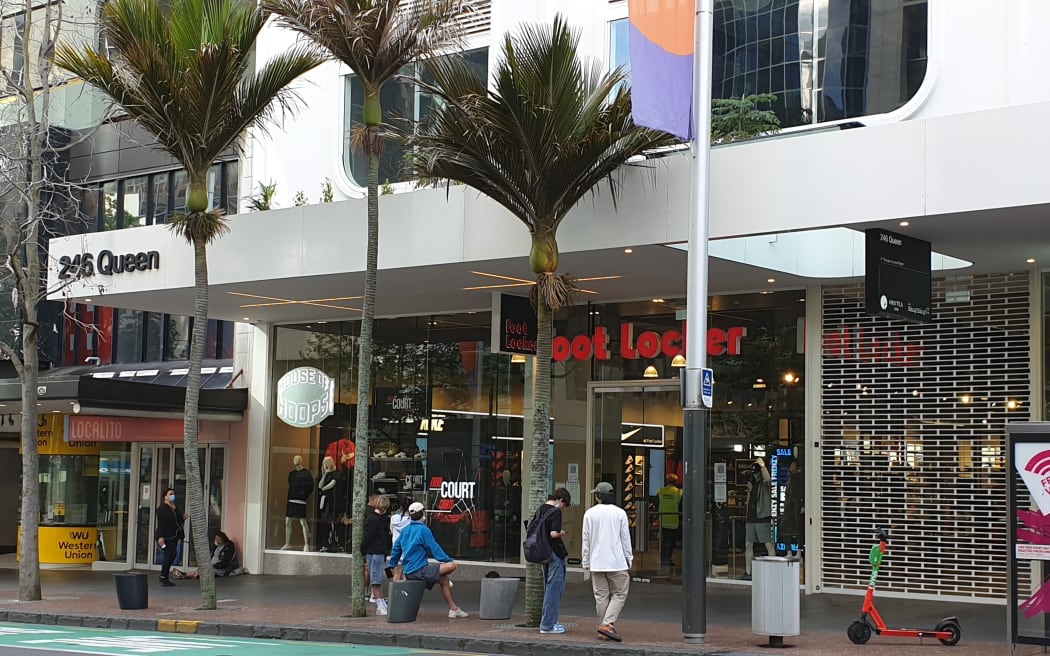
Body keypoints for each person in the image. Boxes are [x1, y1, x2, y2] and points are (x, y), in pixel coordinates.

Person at [387, 501, 468, 618]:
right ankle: (451, 605)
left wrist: (392, 564)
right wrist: (447, 560)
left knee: (444, 580)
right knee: (452, 566)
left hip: (409, 571)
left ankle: (454, 609)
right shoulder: (424, 530)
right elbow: (435, 548)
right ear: (422, 514)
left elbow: (396, 550)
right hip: (420, 571)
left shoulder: (405, 530)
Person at [581, 481, 632, 642]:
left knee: (601, 596)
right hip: (616, 561)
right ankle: (607, 624)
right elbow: (625, 539)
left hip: (596, 561)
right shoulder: (620, 513)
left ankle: (605, 628)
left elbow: (586, 540)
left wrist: (585, 560)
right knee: (620, 593)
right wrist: (628, 557)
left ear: (598, 496)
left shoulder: (589, 513)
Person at [537, 488, 572, 635]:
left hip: (542, 553)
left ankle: (548, 622)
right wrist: (562, 533)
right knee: (554, 589)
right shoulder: (555, 511)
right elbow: (553, 533)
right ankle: (548, 625)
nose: (563, 507)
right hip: (555, 553)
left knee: (548, 587)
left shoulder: (540, 509)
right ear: (561, 500)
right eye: (565, 504)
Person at [743, 457, 774, 581]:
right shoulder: (752, 485)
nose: (755, 474)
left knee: (768, 544)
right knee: (748, 544)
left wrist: (763, 466)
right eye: (754, 472)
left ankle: (773, 569)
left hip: (762, 518)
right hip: (751, 518)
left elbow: (768, 480)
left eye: (757, 472)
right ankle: (748, 571)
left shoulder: (764, 485)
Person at [363, 495, 391, 615]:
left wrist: (362, 548)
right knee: (376, 578)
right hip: (377, 552)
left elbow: (367, 537)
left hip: (374, 551)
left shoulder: (373, 519)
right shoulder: (382, 520)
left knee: (376, 578)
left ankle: (380, 603)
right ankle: (380, 603)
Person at [154, 487, 186, 587]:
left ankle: (164, 576)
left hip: (175, 535)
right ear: (165, 496)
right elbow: (161, 524)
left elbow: (177, 520)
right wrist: (160, 537)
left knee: (171, 555)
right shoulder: (162, 509)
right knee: (171, 554)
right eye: (170, 494)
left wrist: (183, 518)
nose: (173, 495)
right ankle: (164, 576)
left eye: (173, 494)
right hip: (167, 536)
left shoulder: (175, 507)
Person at [281, 455, 313, 551]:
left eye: (297, 459)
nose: (295, 460)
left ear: (301, 460)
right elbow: (290, 485)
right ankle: (287, 543)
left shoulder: (307, 474)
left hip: (301, 501)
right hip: (291, 500)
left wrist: (303, 496)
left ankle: (306, 544)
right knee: (288, 522)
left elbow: (310, 487)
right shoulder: (291, 474)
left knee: (303, 522)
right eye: (294, 458)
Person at [656, 474, 684, 568]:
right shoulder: (678, 492)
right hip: (673, 521)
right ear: (675, 482)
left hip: (663, 520)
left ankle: (664, 559)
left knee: (664, 541)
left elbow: (657, 504)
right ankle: (667, 559)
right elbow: (681, 506)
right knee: (671, 542)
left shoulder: (661, 491)